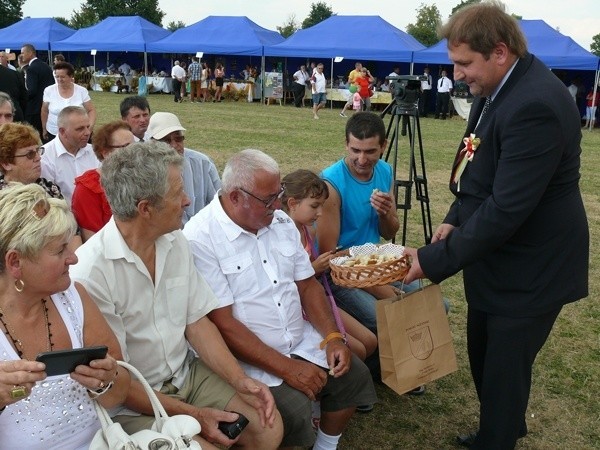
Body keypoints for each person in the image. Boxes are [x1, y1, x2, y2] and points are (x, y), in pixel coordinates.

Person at [403, 3, 589, 449]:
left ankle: (498, 436)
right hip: (497, 257)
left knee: (503, 366)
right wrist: (452, 220)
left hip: (532, 266)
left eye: (464, 63)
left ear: (500, 52)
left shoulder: (535, 105)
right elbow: (478, 168)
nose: (458, 73)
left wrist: (430, 261)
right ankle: (501, 425)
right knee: (486, 355)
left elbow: (507, 208)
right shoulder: (498, 89)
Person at [71, 142, 283, 449]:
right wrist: (196, 415)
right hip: (132, 401)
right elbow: (119, 380)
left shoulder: (174, 240)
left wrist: (241, 381)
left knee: (268, 428)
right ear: (145, 209)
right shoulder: (91, 272)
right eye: (177, 193)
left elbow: (197, 323)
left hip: (186, 375)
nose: (187, 200)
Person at [182, 149, 377, 450]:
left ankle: (325, 446)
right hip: (247, 361)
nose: (278, 205)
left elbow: (308, 286)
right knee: (292, 413)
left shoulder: (281, 223)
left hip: (300, 341)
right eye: (268, 199)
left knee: (352, 376)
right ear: (235, 197)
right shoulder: (200, 237)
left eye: (279, 193)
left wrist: (334, 337)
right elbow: (224, 324)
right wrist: (288, 369)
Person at [0, 183, 130, 449]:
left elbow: (120, 392)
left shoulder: (73, 297)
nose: (74, 259)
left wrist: (105, 381)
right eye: (60, 251)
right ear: (15, 263)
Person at [281, 169, 377, 362]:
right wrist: (315, 267)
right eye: (314, 206)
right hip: (301, 307)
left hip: (320, 296)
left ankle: (362, 374)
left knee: (369, 341)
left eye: (322, 206)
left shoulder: (308, 230)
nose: (320, 213)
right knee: (359, 347)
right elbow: (285, 280)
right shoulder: (281, 235)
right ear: (292, 204)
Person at [146, 112, 221, 225]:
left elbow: (219, 205)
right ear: (151, 142)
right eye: (166, 141)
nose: (174, 145)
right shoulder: (144, 169)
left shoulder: (203, 163)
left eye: (178, 139)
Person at [71, 121, 135, 241]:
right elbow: (93, 240)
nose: (135, 153)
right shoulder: (88, 189)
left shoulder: (141, 178)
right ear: (106, 153)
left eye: (135, 146)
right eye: (126, 147)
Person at [40, 106, 99, 204]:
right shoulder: (45, 157)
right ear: (62, 132)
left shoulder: (95, 152)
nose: (87, 133)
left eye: (88, 127)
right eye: (80, 129)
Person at [0, 122, 62, 197]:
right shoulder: (3, 199)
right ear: (6, 163)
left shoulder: (49, 188)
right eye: (30, 154)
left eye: (37, 150)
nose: (38, 158)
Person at [41, 61, 96, 142]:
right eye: (57, 77)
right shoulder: (49, 90)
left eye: (62, 77)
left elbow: (91, 110)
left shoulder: (81, 91)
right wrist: (44, 128)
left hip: (79, 134)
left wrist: (90, 127)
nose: (59, 79)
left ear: (71, 76)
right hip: (54, 133)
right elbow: (44, 111)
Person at [20, 44, 55, 138]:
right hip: (47, 106)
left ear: (30, 53)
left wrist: (22, 98)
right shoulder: (45, 66)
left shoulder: (31, 69)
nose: (21, 55)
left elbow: (32, 91)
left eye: (23, 53)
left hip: (34, 109)